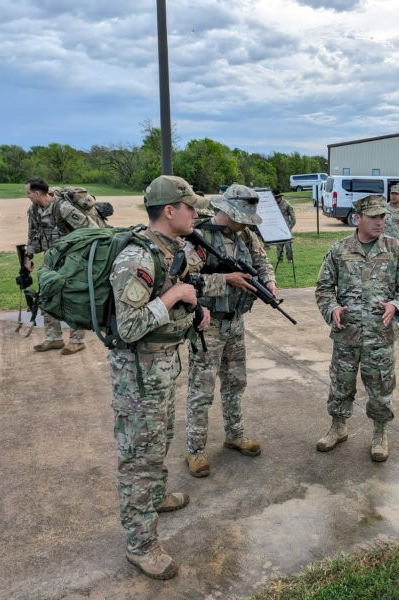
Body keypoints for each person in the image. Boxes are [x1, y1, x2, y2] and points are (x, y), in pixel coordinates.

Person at [109, 175, 216, 580]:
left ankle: (154, 497)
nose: (196, 213)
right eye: (190, 207)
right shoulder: (135, 257)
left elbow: (171, 300)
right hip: (138, 377)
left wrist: (194, 311)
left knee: (160, 441)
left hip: (162, 368)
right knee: (139, 458)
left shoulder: (168, 249)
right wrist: (174, 297)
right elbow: (130, 326)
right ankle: (140, 545)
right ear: (169, 211)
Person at [314, 194, 399, 462]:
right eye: (373, 216)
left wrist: (396, 305)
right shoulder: (339, 250)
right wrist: (332, 308)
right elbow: (324, 288)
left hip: (379, 336)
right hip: (346, 334)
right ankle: (338, 427)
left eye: (383, 216)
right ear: (357, 218)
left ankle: (380, 432)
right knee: (340, 384)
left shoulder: (396, 249)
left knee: (381, 387)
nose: (380, 221)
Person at [184, 184, 278, 478]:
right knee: (202, 390)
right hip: (207, 326)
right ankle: (195, 450)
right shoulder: (199, 237)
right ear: (226, 210)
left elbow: (262, 261)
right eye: (241, 216)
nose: (245, 223)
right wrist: (226, 280)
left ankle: (234, 434)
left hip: (235, 322)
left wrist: (269, 281)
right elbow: (186, 281)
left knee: (235, 383)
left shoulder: (245, 235)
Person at [24, 179, 104, 354]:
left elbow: (92, 229)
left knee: (73, 296)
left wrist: (80, 253)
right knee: (47, 292)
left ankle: (76, 340)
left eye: (28, 193)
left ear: (37, 194)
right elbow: (33, 233)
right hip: (51, 257)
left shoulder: (63, 208)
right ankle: (53, 338)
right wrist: (28, 256)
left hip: (72, 259)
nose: (27, 196)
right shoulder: (34, 210)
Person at [273, 189, 296, 263]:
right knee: (279, 246)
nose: (276, 199)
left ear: (280, 197)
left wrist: (289, 227)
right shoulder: (273, 205)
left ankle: (290, 259)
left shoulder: (287, 204)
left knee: (288, 246)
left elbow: (293, 218)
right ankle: (280, 260)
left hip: (286, 228)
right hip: (277, 228)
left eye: (277, 197)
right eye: (275, 198)